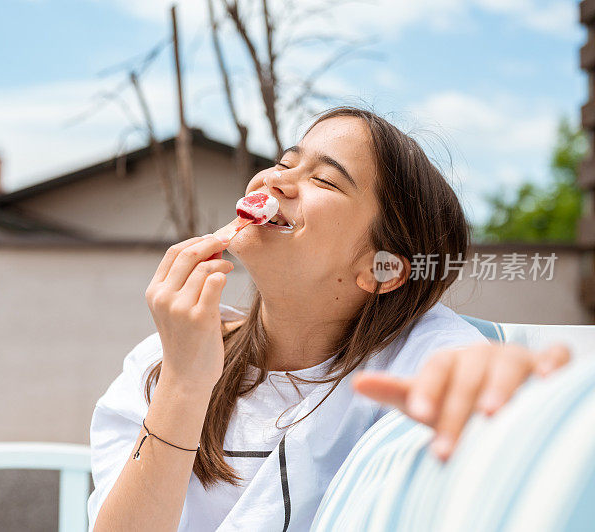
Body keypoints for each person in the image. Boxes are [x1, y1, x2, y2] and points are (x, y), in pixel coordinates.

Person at [86, 106, 571, 531]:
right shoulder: (161, 360)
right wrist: (184, 385)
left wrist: (510, 403)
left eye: (324, 179)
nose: (273, 180)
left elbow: (474, 387)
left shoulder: (415, 359)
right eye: (285, 161)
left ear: (382, 268)